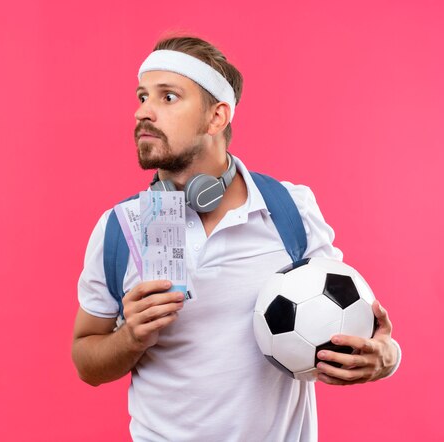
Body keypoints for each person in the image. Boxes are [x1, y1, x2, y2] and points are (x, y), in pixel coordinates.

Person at [72, 35, 401, 441]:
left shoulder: (290, 209)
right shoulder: (119, 227)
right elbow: (87, 361)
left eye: (168, 97)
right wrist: (130, 338)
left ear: (217, 117)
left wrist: (387, 355)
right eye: (142, 97)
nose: (144, 112)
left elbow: (354, 324)